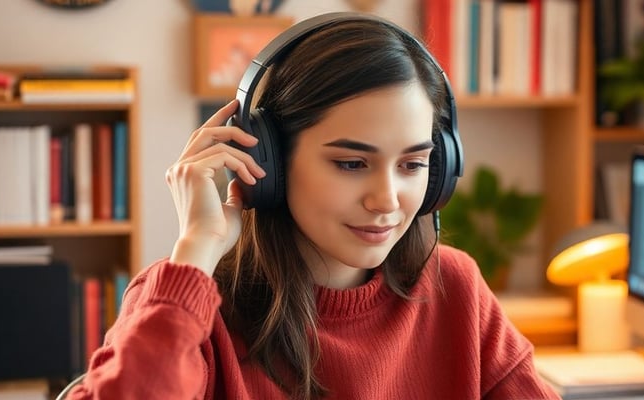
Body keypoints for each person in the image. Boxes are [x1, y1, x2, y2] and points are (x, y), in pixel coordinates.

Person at [68, 13, 560, 400]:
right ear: (270, 159)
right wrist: (196, 248)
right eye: (351, 163)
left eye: (412, 165)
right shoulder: (186, 305)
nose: (386, 201)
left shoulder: (455, 288)